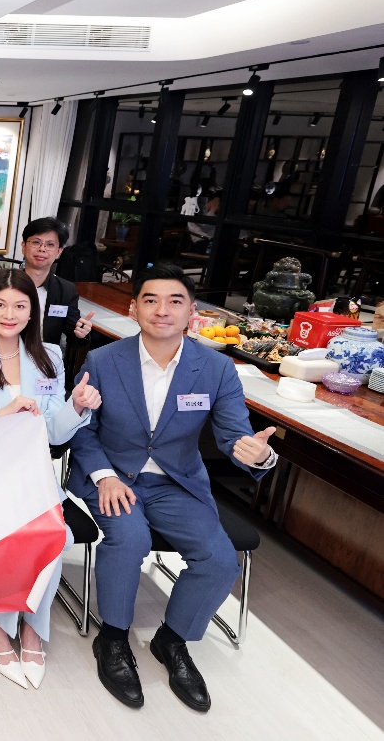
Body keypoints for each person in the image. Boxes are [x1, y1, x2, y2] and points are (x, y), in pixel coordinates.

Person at [69, 263, 278, 713]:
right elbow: (83, 430)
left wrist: (256, 454)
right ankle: (113, 638)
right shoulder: (104, 360)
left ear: (192, 313)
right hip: (115, 476)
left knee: (220, 560)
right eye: (150, 300)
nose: (162, 310)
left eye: (174, 301)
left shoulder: (216, 368)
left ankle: (172, 639)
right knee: (129, 538)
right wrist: (104, 475)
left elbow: (235, 435)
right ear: (133, 309)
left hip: (175, 482)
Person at [0, 269, 101, 689]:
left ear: (33, 312)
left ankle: (32, 628)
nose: (9, 314)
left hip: (32, 476)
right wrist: (1, 416)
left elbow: (55, 435)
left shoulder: (49, 356)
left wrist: (76, 407)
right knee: (13, 532)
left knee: (54, 535)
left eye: (19, 305)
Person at [20, 217, 94, 352]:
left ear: (59, 252)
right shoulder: (4, 283)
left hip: (43, 358)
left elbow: (73, 333)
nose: (42, 249)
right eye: (36, 242)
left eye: (50, 245)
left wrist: (81, 334)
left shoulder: (65, 290)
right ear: (23, 246)